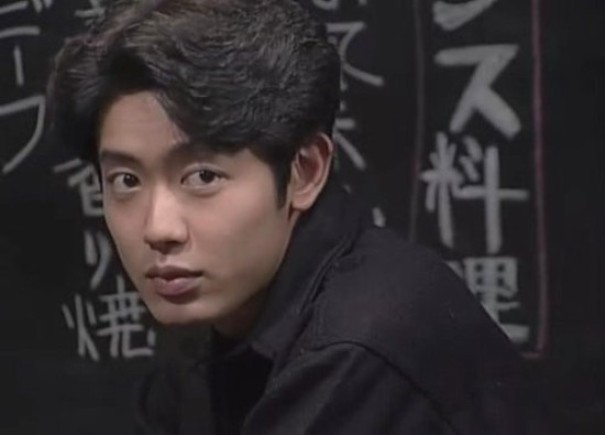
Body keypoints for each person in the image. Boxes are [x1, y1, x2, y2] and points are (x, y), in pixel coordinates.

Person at [47, 0, 544, 433]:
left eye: (202, 177)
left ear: (305, 171)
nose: (158, 229)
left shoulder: (358, 345)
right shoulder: (216, 320)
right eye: (126, 181)